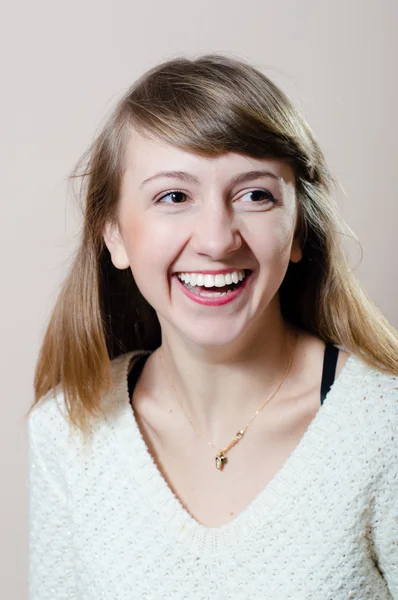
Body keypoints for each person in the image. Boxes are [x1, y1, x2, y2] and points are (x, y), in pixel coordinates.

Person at [27, 54, 398, 599]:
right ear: (114, 236)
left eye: (255, 195)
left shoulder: (385, 429)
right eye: (173, 196)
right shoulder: (65, 429)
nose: (218, 239)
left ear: (298, 231)